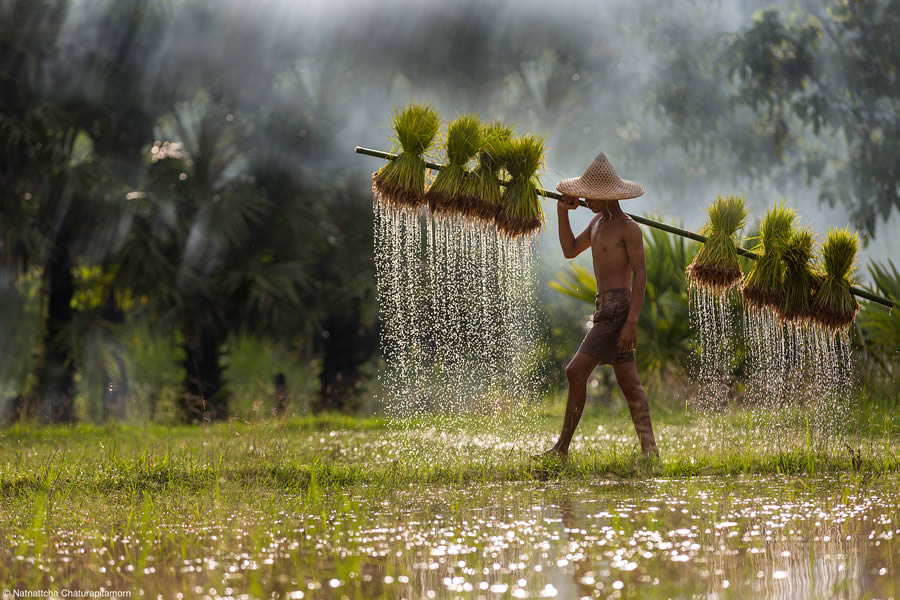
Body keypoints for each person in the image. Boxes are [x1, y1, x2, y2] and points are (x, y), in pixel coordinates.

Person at [538, 153, 658, 459]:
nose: (586, 200)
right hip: (603, 308)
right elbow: (569, 250)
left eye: (591, 196)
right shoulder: (596, 223)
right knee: (630, 385)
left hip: (618, 310)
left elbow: (641, 275)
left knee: (574, 372)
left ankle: (561, 449)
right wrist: (562, 211)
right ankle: (650, 452)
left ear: (606, 197)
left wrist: (631, 321)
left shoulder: (628, 228)